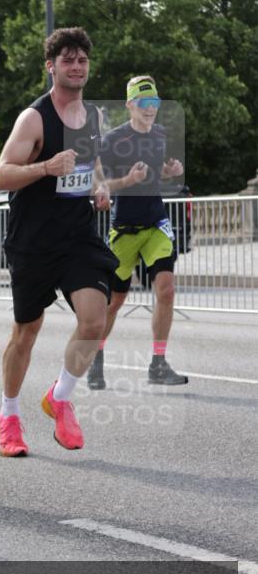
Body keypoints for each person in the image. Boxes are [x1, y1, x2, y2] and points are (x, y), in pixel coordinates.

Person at [0, 27, 118, 457]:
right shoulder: (34, 118)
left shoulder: (96, 117)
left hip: (78, 235)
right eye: (67, 60)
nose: (76, 66)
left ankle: (60, 397)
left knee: (94, 321)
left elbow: (92, 166)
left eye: (82, 60)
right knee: (26, 331)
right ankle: (8, 415)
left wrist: (100, 188)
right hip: (33, 240)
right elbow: (0, 175)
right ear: (51, 66)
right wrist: (45, 167)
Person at [87, 75, 188, 388]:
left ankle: (158, 363)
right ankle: (96, 358)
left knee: (166, 288)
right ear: (130, 104)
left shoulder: (159, 135)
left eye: (155, 102)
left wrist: (170, 171)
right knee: (115, 300)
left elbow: (156, 171)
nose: (151, 109)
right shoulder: (114, 140)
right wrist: (121, 184)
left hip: (156, 223)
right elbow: (97, 180)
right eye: (144, 103)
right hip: (125, 228)